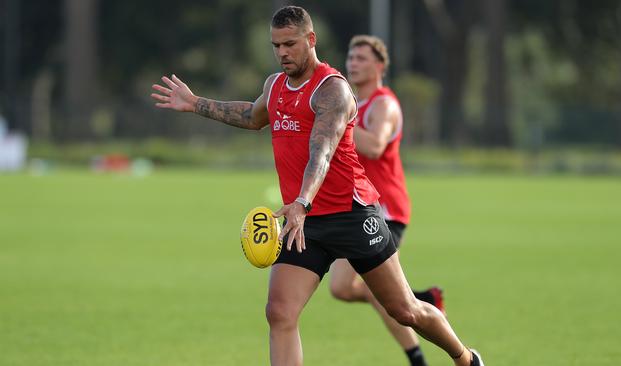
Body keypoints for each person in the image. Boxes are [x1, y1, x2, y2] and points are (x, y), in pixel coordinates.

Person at [151, 6, 484, 366]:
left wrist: (301, 202)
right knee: (279, 312)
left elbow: (321, 152)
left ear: (311, 40)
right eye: (276, 45)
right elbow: (251, 116)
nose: (282, 53)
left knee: (405, 309)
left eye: (290, 44)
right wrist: (196, 103)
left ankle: (465, 358)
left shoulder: (333, 91)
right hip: (306, 223)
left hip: (352, 216)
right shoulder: (275, 85)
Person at [328, 34, 443, 366]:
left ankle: (418, 355)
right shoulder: (351, 103)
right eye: (351, 57)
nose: (353, 63)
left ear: (380, 66)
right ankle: (418, 299)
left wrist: (336, 123)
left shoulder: (384, 104)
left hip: (387, 210)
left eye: (362, 58)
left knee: (367, 289)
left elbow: (376, 146)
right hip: (358, 208)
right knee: (342, 289)